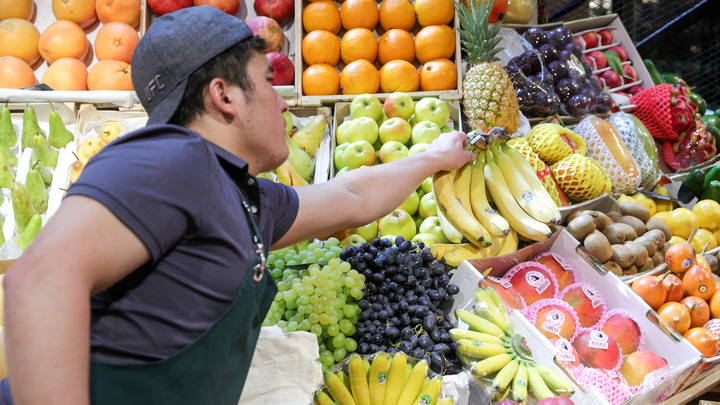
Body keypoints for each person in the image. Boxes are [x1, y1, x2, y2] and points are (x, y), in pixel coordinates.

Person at [2, 6, 475, 405]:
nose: (284, 104)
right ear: (223, 95)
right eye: (268, 80)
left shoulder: (240, 196)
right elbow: (35, 284)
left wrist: (433, 158)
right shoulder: (170, 158)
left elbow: (351, 197)